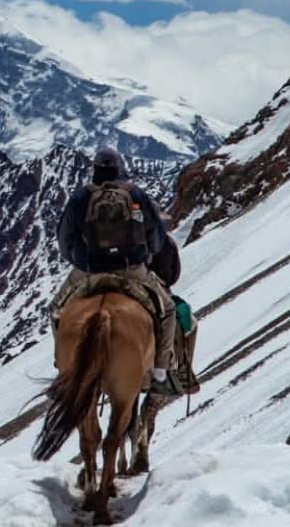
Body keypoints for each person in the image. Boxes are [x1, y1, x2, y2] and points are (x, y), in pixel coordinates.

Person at [54, 147, 185, 396]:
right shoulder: (135, 195)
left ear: (95, 170)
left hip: (89, 272)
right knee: (167, 311)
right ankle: (160, 372)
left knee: (56, 310)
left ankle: (64, 371)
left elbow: (64, 240)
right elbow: (157, 239)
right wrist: (142, 254)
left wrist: (81, 261)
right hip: (131, 270)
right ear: (118, 169)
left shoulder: (81, 197)